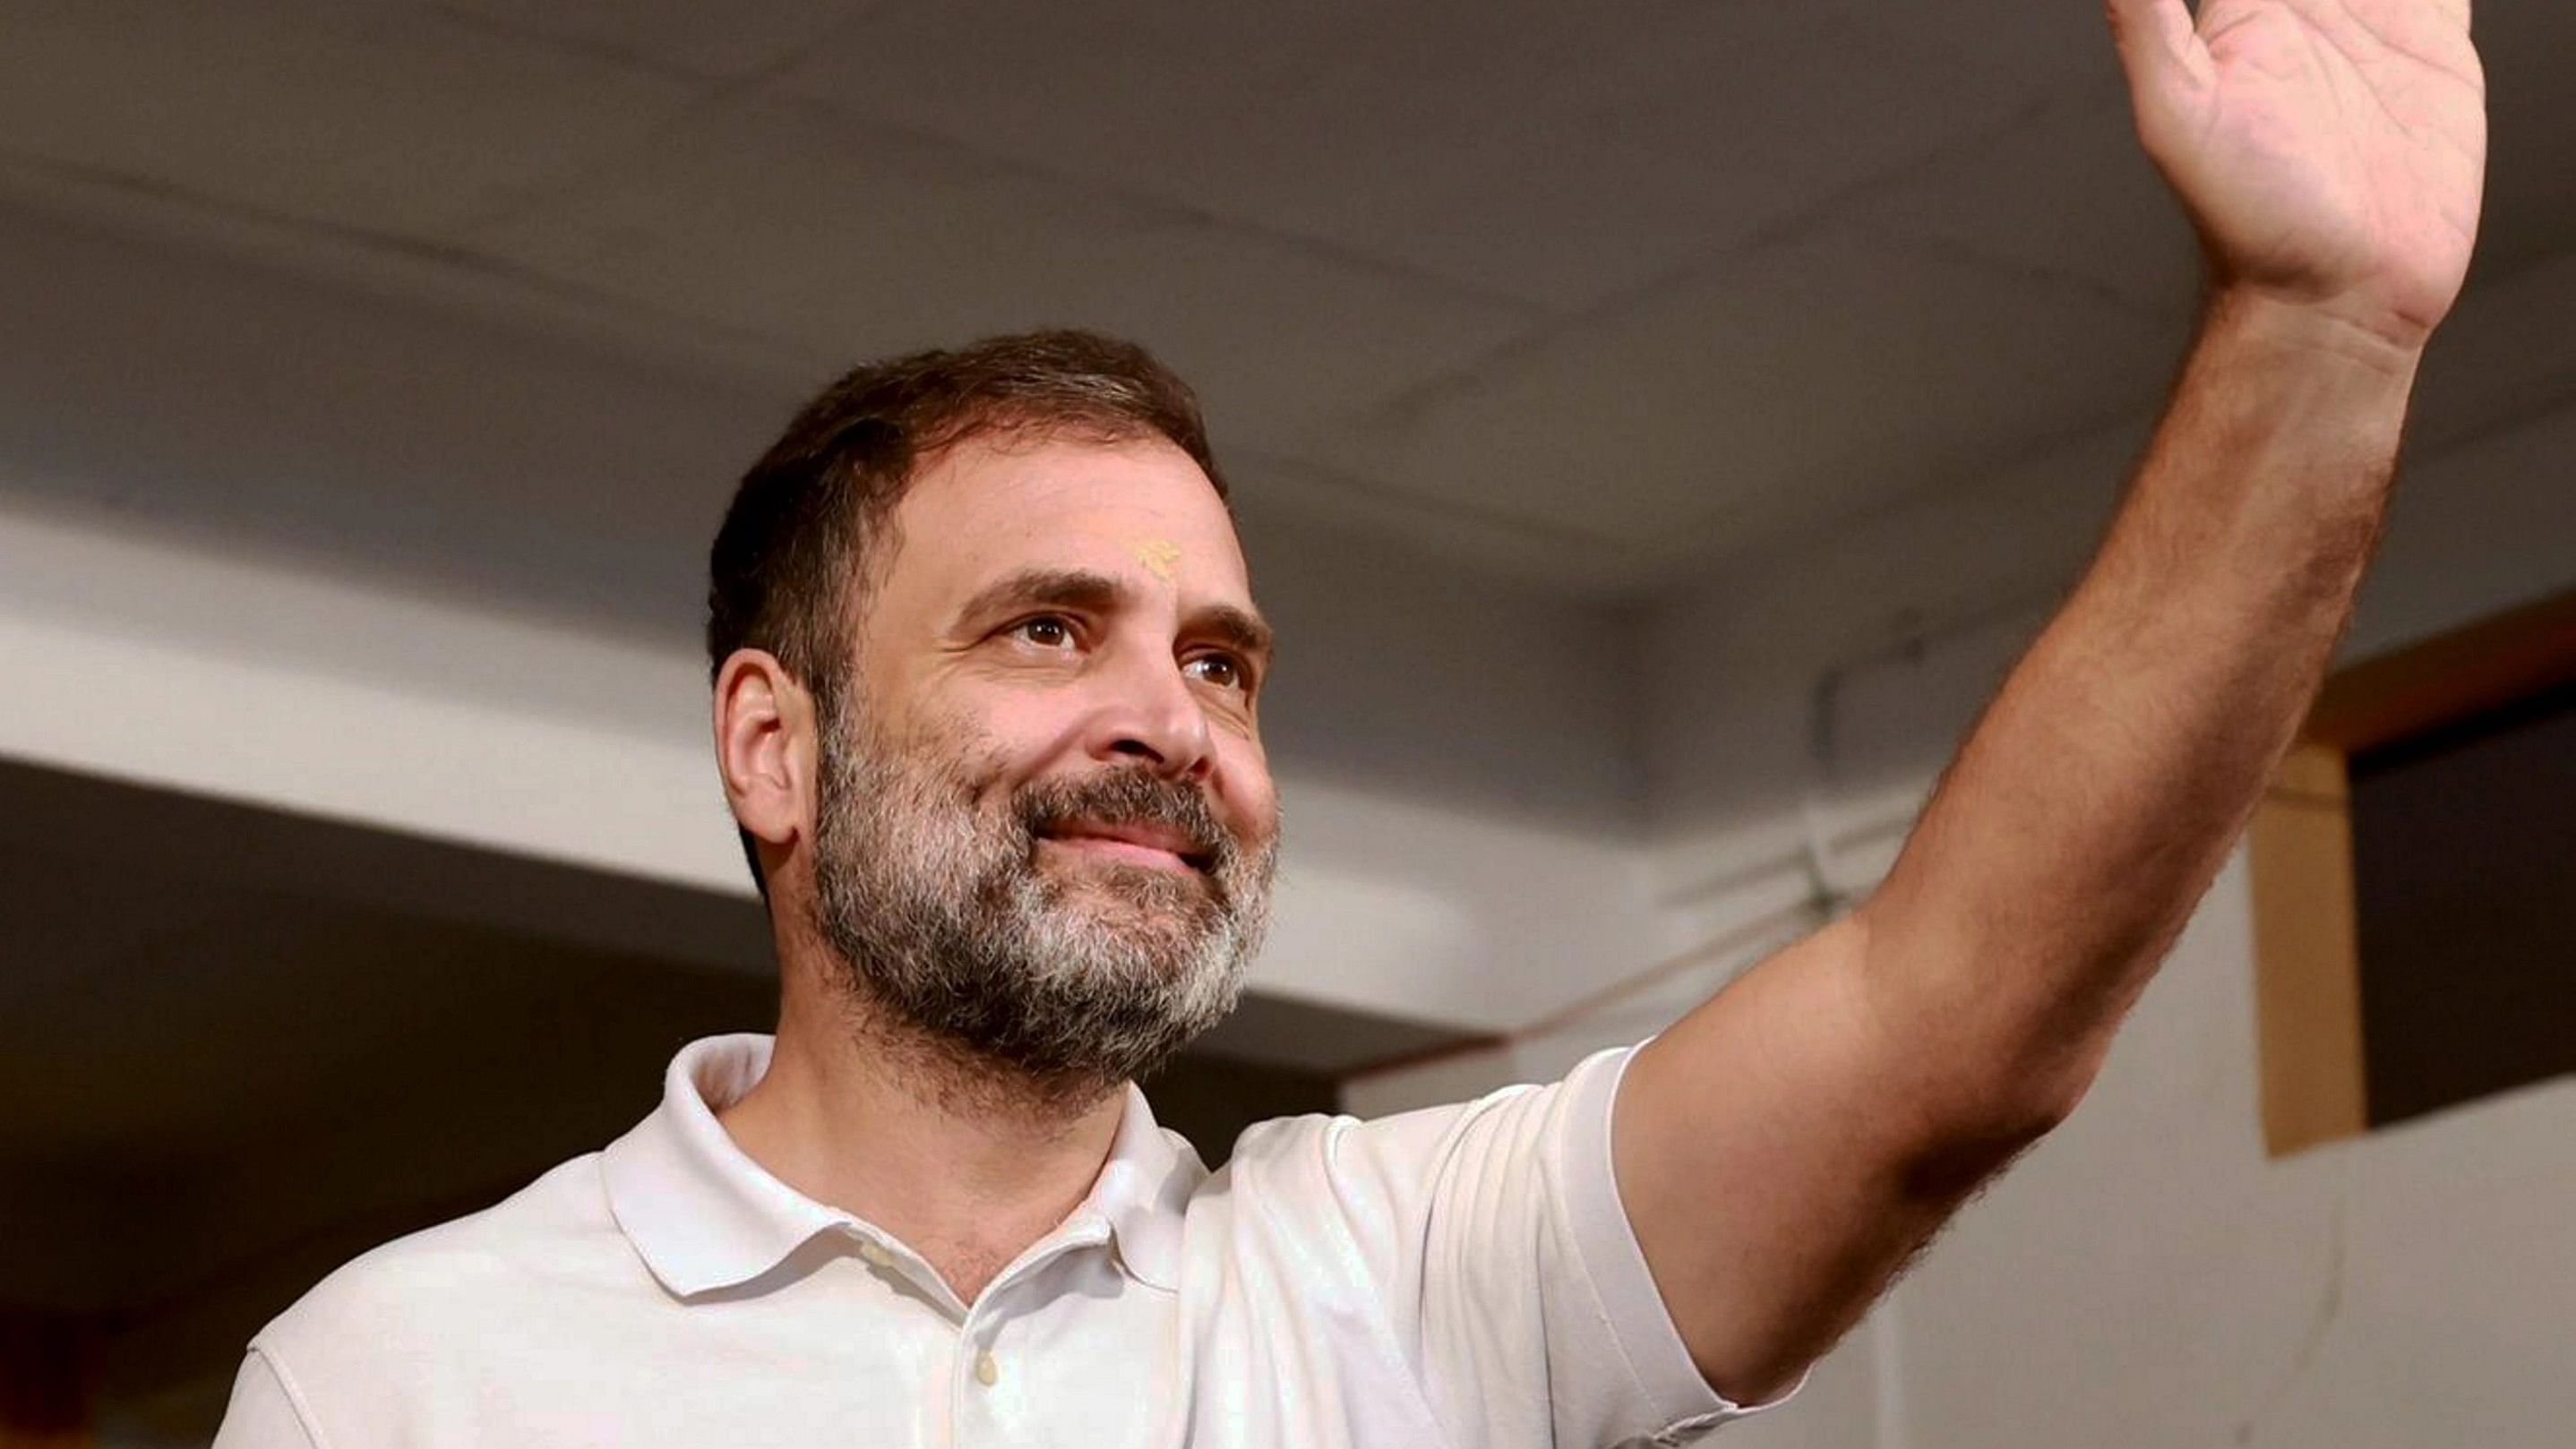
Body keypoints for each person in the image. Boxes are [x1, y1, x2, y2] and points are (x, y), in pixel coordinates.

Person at [211, 1, 2486, 1444]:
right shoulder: (399, 1377)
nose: (1167, 717)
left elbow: (1951, 1019)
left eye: (1222, 658)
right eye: (1043, 629)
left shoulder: (1402, 1282)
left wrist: (2320, 329)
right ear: (771, 746)